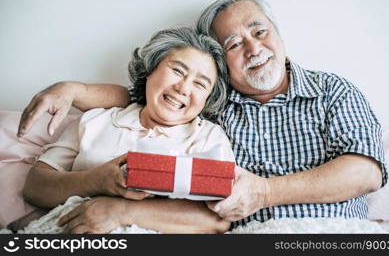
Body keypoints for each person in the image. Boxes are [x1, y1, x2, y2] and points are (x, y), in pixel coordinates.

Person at [18, 0, 387, 230]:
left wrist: (263, 192)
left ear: (278, 32)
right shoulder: (215, 108)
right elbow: (143, 97)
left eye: (259, 31)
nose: (253, 48)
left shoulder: (331, 90)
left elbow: (366, 172)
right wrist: (73, 90)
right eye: (233, 43)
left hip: (336, 233)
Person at [22, 27, 234, 234]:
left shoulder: (208, 138)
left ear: (208, 99)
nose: (183, 88)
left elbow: (218, 219)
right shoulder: (97, 119)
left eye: (200, 84)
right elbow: (35, 186)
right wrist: (96, 181)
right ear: (150, 70)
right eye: (177, 71)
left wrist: (119, 212)